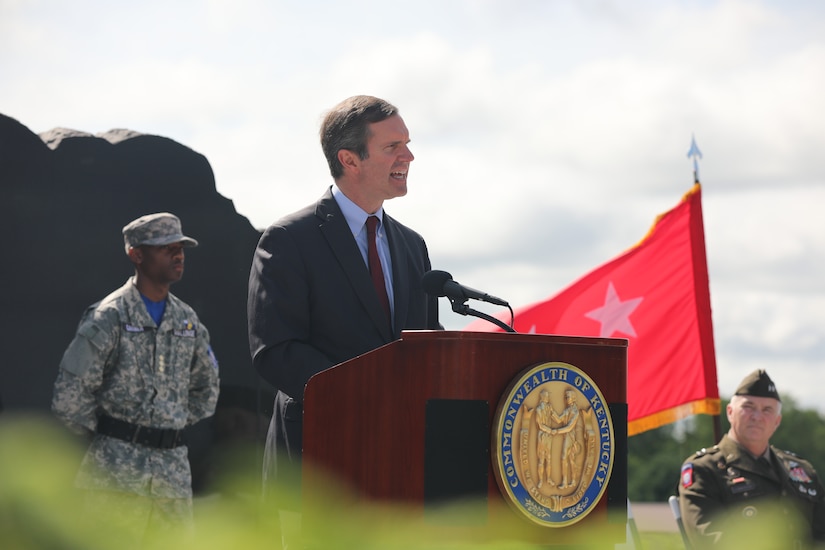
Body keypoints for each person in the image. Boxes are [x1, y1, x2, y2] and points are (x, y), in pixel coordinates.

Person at [247, 95, 441, 547]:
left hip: (401, 471)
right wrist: (365, 397)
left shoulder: (413, 246)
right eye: (393, 146)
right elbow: (275, 350)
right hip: (317, 467)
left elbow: (425, 346)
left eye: (408, 144)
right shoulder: (288, 240)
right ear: (349, 159)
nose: (408, 156)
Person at [51, 212, 220, 542]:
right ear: (136, 254)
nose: (178, 255)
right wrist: (110, 439)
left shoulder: (186, 320)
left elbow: (207, 386)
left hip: (171, 478)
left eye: (180, 247)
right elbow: (70, 395)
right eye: (165, 247)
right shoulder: (109, 316)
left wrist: (170, 420)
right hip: (116, 478)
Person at [677, 369, 825, 548]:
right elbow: (711, 539)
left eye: (767, 410)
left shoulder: (802, 471)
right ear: (730, 412)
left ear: (777, 421)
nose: (757, 417)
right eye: (748, 407)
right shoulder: (705, 469)